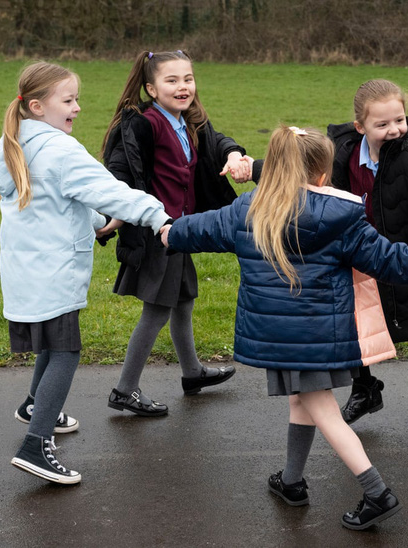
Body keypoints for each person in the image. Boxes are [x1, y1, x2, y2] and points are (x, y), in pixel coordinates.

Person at [161, 126, 408, 529]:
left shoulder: (247, 210)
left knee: (320, 409)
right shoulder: (340, 217)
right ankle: (291, 480)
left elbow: (198, 229)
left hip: (279, 335)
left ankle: (377, 493)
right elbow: (392, 260)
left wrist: (168, 232)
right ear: (323, 176)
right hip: (320, 333)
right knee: (302, 401)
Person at [0, 61, 171, 484]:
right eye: (68, 100)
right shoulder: (60, 150)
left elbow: (53, 200)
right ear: (37, 106)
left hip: (27, 267)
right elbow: (112, 191)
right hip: (53, 270)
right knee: (66, 351)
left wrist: (94, 221)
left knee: (53, 344)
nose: (78, 107)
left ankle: (35, 404)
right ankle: (35, 445)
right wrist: (159, 217)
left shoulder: (13, 142)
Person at [100, 50, 255, 417]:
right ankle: (124, 389)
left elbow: (218, 142)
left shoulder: (188, 121)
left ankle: (192, 373)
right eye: (172, 81)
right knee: (156, 311)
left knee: (183, 302)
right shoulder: (145, 124)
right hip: (158, 231)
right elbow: (120, 170)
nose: (182, 87)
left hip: (181, 230)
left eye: (187, 79)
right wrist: (115, 214)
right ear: (152, 88)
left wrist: (233, 154)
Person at [327, 79, 408, 427]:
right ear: (360, 127)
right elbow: (302, 169)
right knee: (358, 324)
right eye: (382, 124)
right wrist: (253, 168)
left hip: (407, 249)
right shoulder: (341, 151)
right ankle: (365, 389)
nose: (395, 130)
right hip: (358, 252)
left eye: (400, 120)